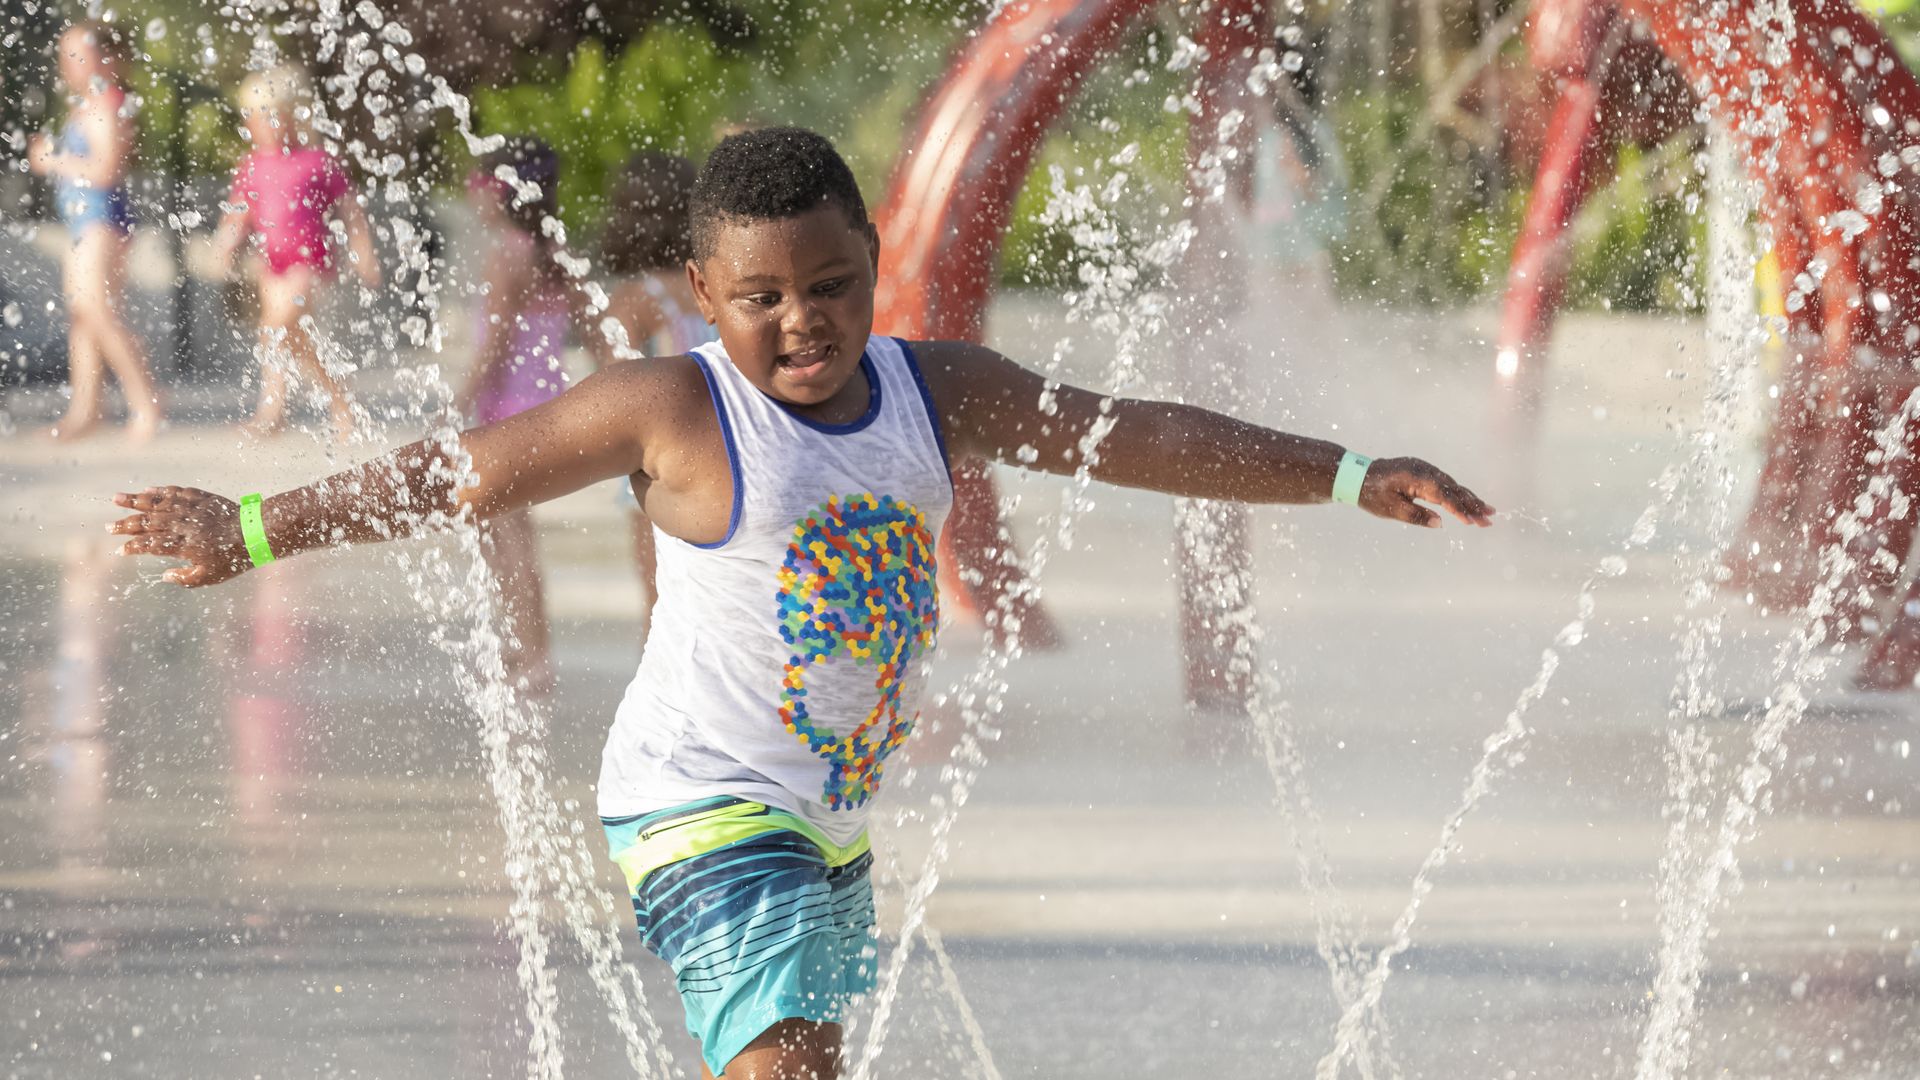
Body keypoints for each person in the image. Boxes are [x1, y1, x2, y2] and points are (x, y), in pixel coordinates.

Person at [107, 127, 1494, 1080]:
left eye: (831, 286)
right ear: (705, 291)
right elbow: (462, 474)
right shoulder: (674, 405)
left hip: (824, 825)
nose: (803, 321)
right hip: (702, 803)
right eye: (762, 296)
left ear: (873, 263)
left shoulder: (934, 389)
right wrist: (247, 527)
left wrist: (1345, 472)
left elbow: (1127, 431)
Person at [457, 136, 573, 694]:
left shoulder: (508, 252)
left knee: (509, 535)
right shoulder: (550, 248)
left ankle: (534, 657)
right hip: (537, 406)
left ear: (501, 189)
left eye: (479, 180)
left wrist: (457, 402)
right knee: (497, 532)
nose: (469, 190)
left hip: (507, 412)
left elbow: (498, 340)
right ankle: (520, 647)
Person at [210, 64, 380, 444]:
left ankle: (272, 413)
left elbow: (351, 211)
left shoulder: (317, 161)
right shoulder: (251, 165)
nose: (262, 124)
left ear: (291, 115)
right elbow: (240, 210)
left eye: (271, 115)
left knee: (276, 329)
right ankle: (340, 404)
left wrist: (363, 251)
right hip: (272, 265)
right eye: (254, 116)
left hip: (309, 262)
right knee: (291, 344)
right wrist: (225, 243)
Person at [591, 150, 717, 631]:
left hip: (661, 470)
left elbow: (615, 388)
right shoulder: (714, 286)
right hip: (726, 459)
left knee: (663, 607)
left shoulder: (636, 299)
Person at [26, 21, 163, 442]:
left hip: (102, 220)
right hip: (83, 222)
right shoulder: (84, 105)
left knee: (100, 313)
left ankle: (147, 406)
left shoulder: (108, 102)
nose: (69, 64)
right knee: (82, 317)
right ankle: (87, 410)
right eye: (65, 55)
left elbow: (107, 170)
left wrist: (53, 160)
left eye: (78, 54)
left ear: (107, 59)